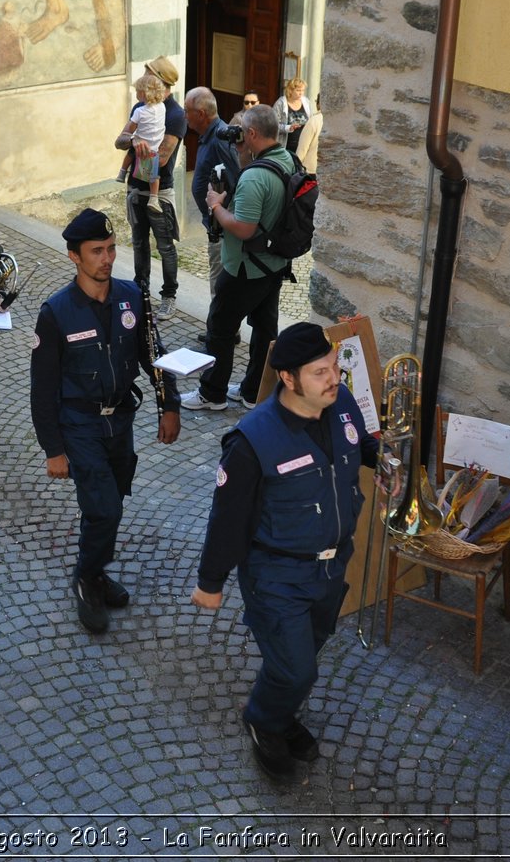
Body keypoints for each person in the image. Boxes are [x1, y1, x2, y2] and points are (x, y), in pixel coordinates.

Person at [190, 323, 375, 776]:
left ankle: (279, 707)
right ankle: (264, 719)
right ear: (289, 379)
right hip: (277, 574)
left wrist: (378, 456)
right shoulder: (252, 442)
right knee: (297, 669)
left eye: (334, 367)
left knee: (304, 655)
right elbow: (228, 519)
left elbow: (358, 445)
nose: (334, 378)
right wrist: (210, 583)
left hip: (331, 570)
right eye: (319, 372)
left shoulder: (341, 404)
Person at [32, 209, 181, 633]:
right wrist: (53, 450)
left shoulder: (131, 297)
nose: (108, 258)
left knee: (107, 506)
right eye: (97, 251)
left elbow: (154, 353)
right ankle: (85, 578)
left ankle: (96, 571)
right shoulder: (56, 313)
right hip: (79, 424)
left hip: (121, 422)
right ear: (73, 256)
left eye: (112, 248)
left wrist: (169, 405)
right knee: (105, 508)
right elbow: (42, 390)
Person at [181, 104, 293, 411]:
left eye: (242, 136)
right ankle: (253, 390)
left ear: (253, 134)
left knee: (220, 328)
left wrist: (217, 205)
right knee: (265, 329)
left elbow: (243, 228)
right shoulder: (287, 160)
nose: (237, 142)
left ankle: (212, 393)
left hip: (245, 267)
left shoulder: (255, 177)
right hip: (274, 264)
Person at [112, 56, 184, 316]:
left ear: (161, 82)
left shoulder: (175, 115)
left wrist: (137, 145)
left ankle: (169, 295)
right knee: (139, 242)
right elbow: (120, 141)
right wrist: (132, 143)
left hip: (160, 191)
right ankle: (140, 290)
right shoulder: (139, 107)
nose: (143, 77)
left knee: (165, 246)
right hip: (135, 187)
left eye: (147, 73)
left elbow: (162, 159)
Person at [186, 86, 243, 286]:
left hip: (222, 229)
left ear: (201, 114)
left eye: (187, 111)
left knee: (219, 284)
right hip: (214, 224)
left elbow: (237, 182)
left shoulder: (220, 139)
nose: (185, 116)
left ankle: (217, 318)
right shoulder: (209, 136)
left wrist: (222, 216)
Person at [114, 71, 167, 211]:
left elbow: (126, 132)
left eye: (137, 91)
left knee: (131, 154)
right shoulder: (162, 107)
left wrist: (133, 138)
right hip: (153, 149)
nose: (136, 94)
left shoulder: (140, 111)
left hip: (139, 144)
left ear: (144, 93)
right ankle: (154, 198)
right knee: (154, 176)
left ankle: (122, 172)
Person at [274, 78, 313, 156]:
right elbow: (273, 125)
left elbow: (312, 121)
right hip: (285, 146)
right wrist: (288, 128)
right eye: (298, 90)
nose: (301, 93)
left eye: (303, 90)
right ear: (290, 90)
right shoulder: (281, 103)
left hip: (303, 147)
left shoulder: (306, 102)